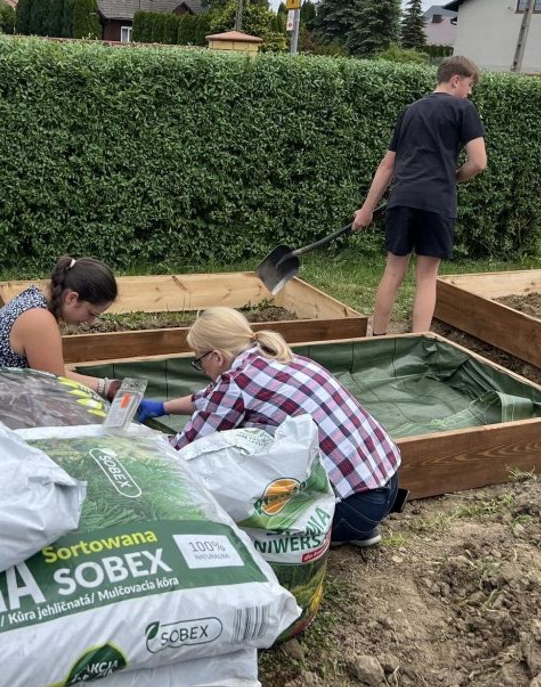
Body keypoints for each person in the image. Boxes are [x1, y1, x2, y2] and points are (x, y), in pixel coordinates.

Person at [140, 307, 402, 546]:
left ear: (217, 357)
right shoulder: (276, 357)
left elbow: (183, 449)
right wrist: (163, 407)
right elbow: (211, 397)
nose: (201, 368)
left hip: (352, 508)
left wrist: (140, 444)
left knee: (246, 513)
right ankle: (361, 528)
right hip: (386, 484)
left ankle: (339, 529)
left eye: (199, 361)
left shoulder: (236, 383)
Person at [353, 54, 487, 335]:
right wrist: (454, 178)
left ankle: (377, 337)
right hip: (438, 201)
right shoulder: (464, 110)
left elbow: (388, 165)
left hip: (403, 198)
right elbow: (478, 162)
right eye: (470, 85)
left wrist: (366, 210)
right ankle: (418, 342)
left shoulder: (411, 110)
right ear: (456, 80)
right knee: (426, 278)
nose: (470, 92)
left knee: (392, 271)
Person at [0, 256, 122, 399]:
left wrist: (108, 387)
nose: (92, 322)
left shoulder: (34, 299)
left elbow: (53, 372)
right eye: (92, 313)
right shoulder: (39, 320)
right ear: (72, 298)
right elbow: (55, 388)